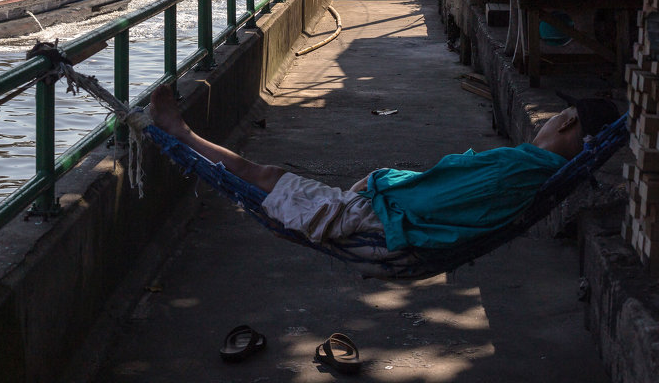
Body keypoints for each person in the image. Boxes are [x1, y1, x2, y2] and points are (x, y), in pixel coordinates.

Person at [147, 85, 617, 256]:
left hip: (377, 216)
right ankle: (182, 132)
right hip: (385, 209)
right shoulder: (534, 171)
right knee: (264, 175)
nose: (553, 117)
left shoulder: (520, 167)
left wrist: (378, 183)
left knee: (261, 174)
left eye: (558, 115)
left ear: (568, 120)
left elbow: (438, 199)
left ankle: (180, 133)